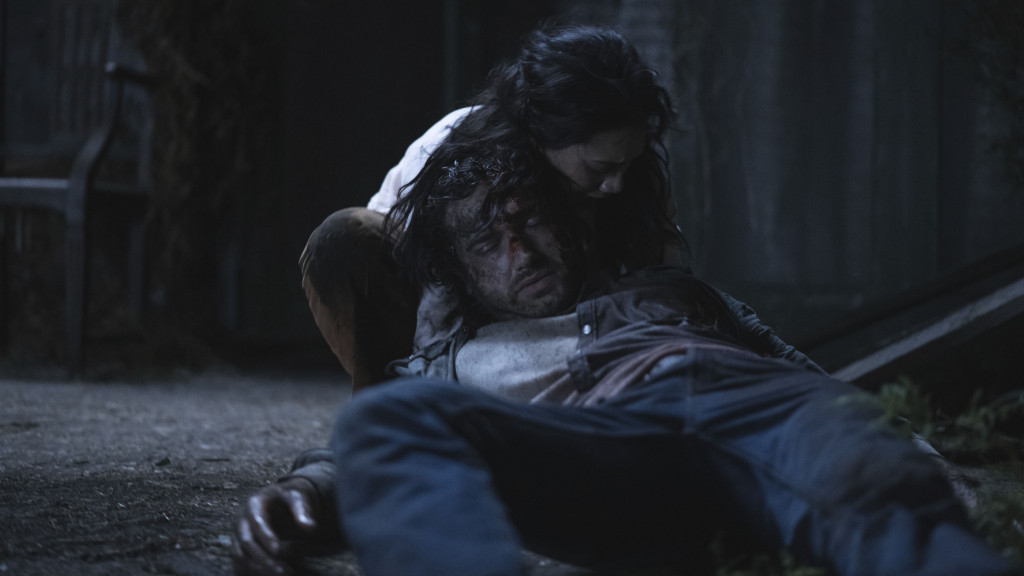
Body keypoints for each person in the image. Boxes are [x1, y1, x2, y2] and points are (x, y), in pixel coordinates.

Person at [233, 149, 1022, 576]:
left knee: (876, 495)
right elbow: (364, 445)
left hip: (756, 408)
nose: (519, 250)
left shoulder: (667, 289)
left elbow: (801, 375)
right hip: (615, 449)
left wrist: (911, 452)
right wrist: (303, 493)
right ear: (460, 273)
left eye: (531, 221)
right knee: (386, 415)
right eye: (488, 242)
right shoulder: (452, 356)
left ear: (568, 222)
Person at [299, 23, 684, 391]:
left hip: (565, 324)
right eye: (600, 169)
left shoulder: (629, 173)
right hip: (440, 301)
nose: (616, 184)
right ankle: (389, 408)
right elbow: (419, 293)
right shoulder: (450, 153)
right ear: (544, 137)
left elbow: (665, 281)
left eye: (627, 163)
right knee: (342, 236)